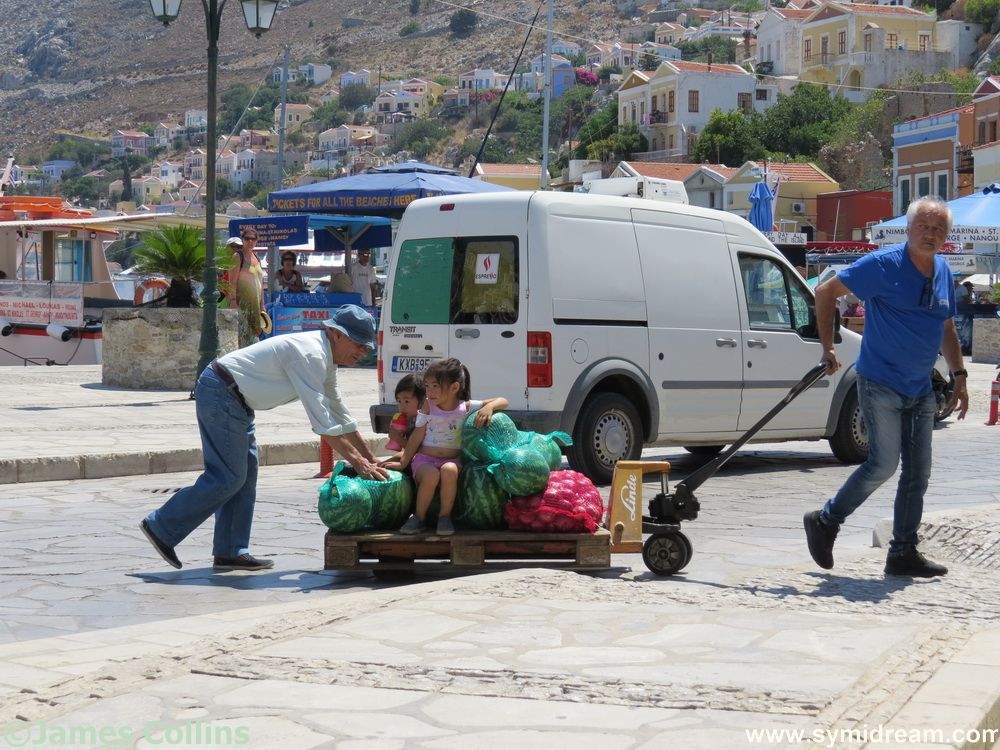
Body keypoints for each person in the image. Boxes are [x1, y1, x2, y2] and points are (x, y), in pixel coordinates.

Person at [139, 305, 388, 571]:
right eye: (360, 344)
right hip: (221, 391)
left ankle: (231, 551)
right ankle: (161, 525)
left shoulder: (325, 359)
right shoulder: (310, 353)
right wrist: (360, 463)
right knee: (228, 476)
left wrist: (371, 458)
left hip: (236, 399)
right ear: (337, 334)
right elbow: (324, 423)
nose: (364, 352)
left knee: (245, 476)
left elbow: (340, 413)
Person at [803, 196, 968, 578]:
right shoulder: (882, 264)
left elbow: (945, 326)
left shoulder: (942, 271)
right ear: (909, 229)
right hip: (880, 381)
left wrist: (959, 376)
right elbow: (826, 291)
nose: (930, 233)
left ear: (946, 236)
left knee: (918, 474)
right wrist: (827, 346)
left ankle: (903, 552)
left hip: (920, 387)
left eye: (938, 228)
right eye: (924, 226)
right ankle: (826, 520)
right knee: (882, 464)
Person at [385, 358, 508, 536]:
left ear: (454, 388)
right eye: (427, 386)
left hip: (452, 460)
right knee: (431, 474)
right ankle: (418, 517)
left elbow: (503, 401)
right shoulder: (428, 406)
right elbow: (417, 435)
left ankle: (445, 517)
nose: (429, 391)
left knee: (449, 470)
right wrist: (404, 462)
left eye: (435, 386)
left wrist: (489, 408)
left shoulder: (465, 407)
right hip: (424, 460)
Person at [222, 230, 265, 347]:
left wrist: (262, 306)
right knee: (241, 339)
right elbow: (232, 282)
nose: (250, 241)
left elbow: (260, 285)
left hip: (255, 307)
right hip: (242, 305)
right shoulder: (238, 257)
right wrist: (233, 301)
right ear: (243, 240)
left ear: (257, 240)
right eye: (247, 238)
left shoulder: (257, 258)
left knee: (254, 337)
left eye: (253, 238)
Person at [386, 374, 425, 453]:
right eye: (399, 401)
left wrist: (398, 438)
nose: (402, 406)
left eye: (406, 401)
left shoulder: (424, 423)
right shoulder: (410, 420)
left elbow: (417, 451)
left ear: (421, 401)